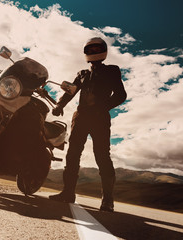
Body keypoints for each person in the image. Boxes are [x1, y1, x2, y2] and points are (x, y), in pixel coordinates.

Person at [49, 37, 127, 212]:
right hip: (81, 117)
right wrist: (60, 104)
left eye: (96, 49)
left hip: (100, 118)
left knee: (102, 156)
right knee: (72, 154)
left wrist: (103, 107)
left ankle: (108, 200)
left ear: (104, 51)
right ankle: (68, 193)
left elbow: (121, 95)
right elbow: (70, 92)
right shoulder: (82, 74)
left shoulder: (112, 71)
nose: (93, 52)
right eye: (89, 50)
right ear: (85, 53)